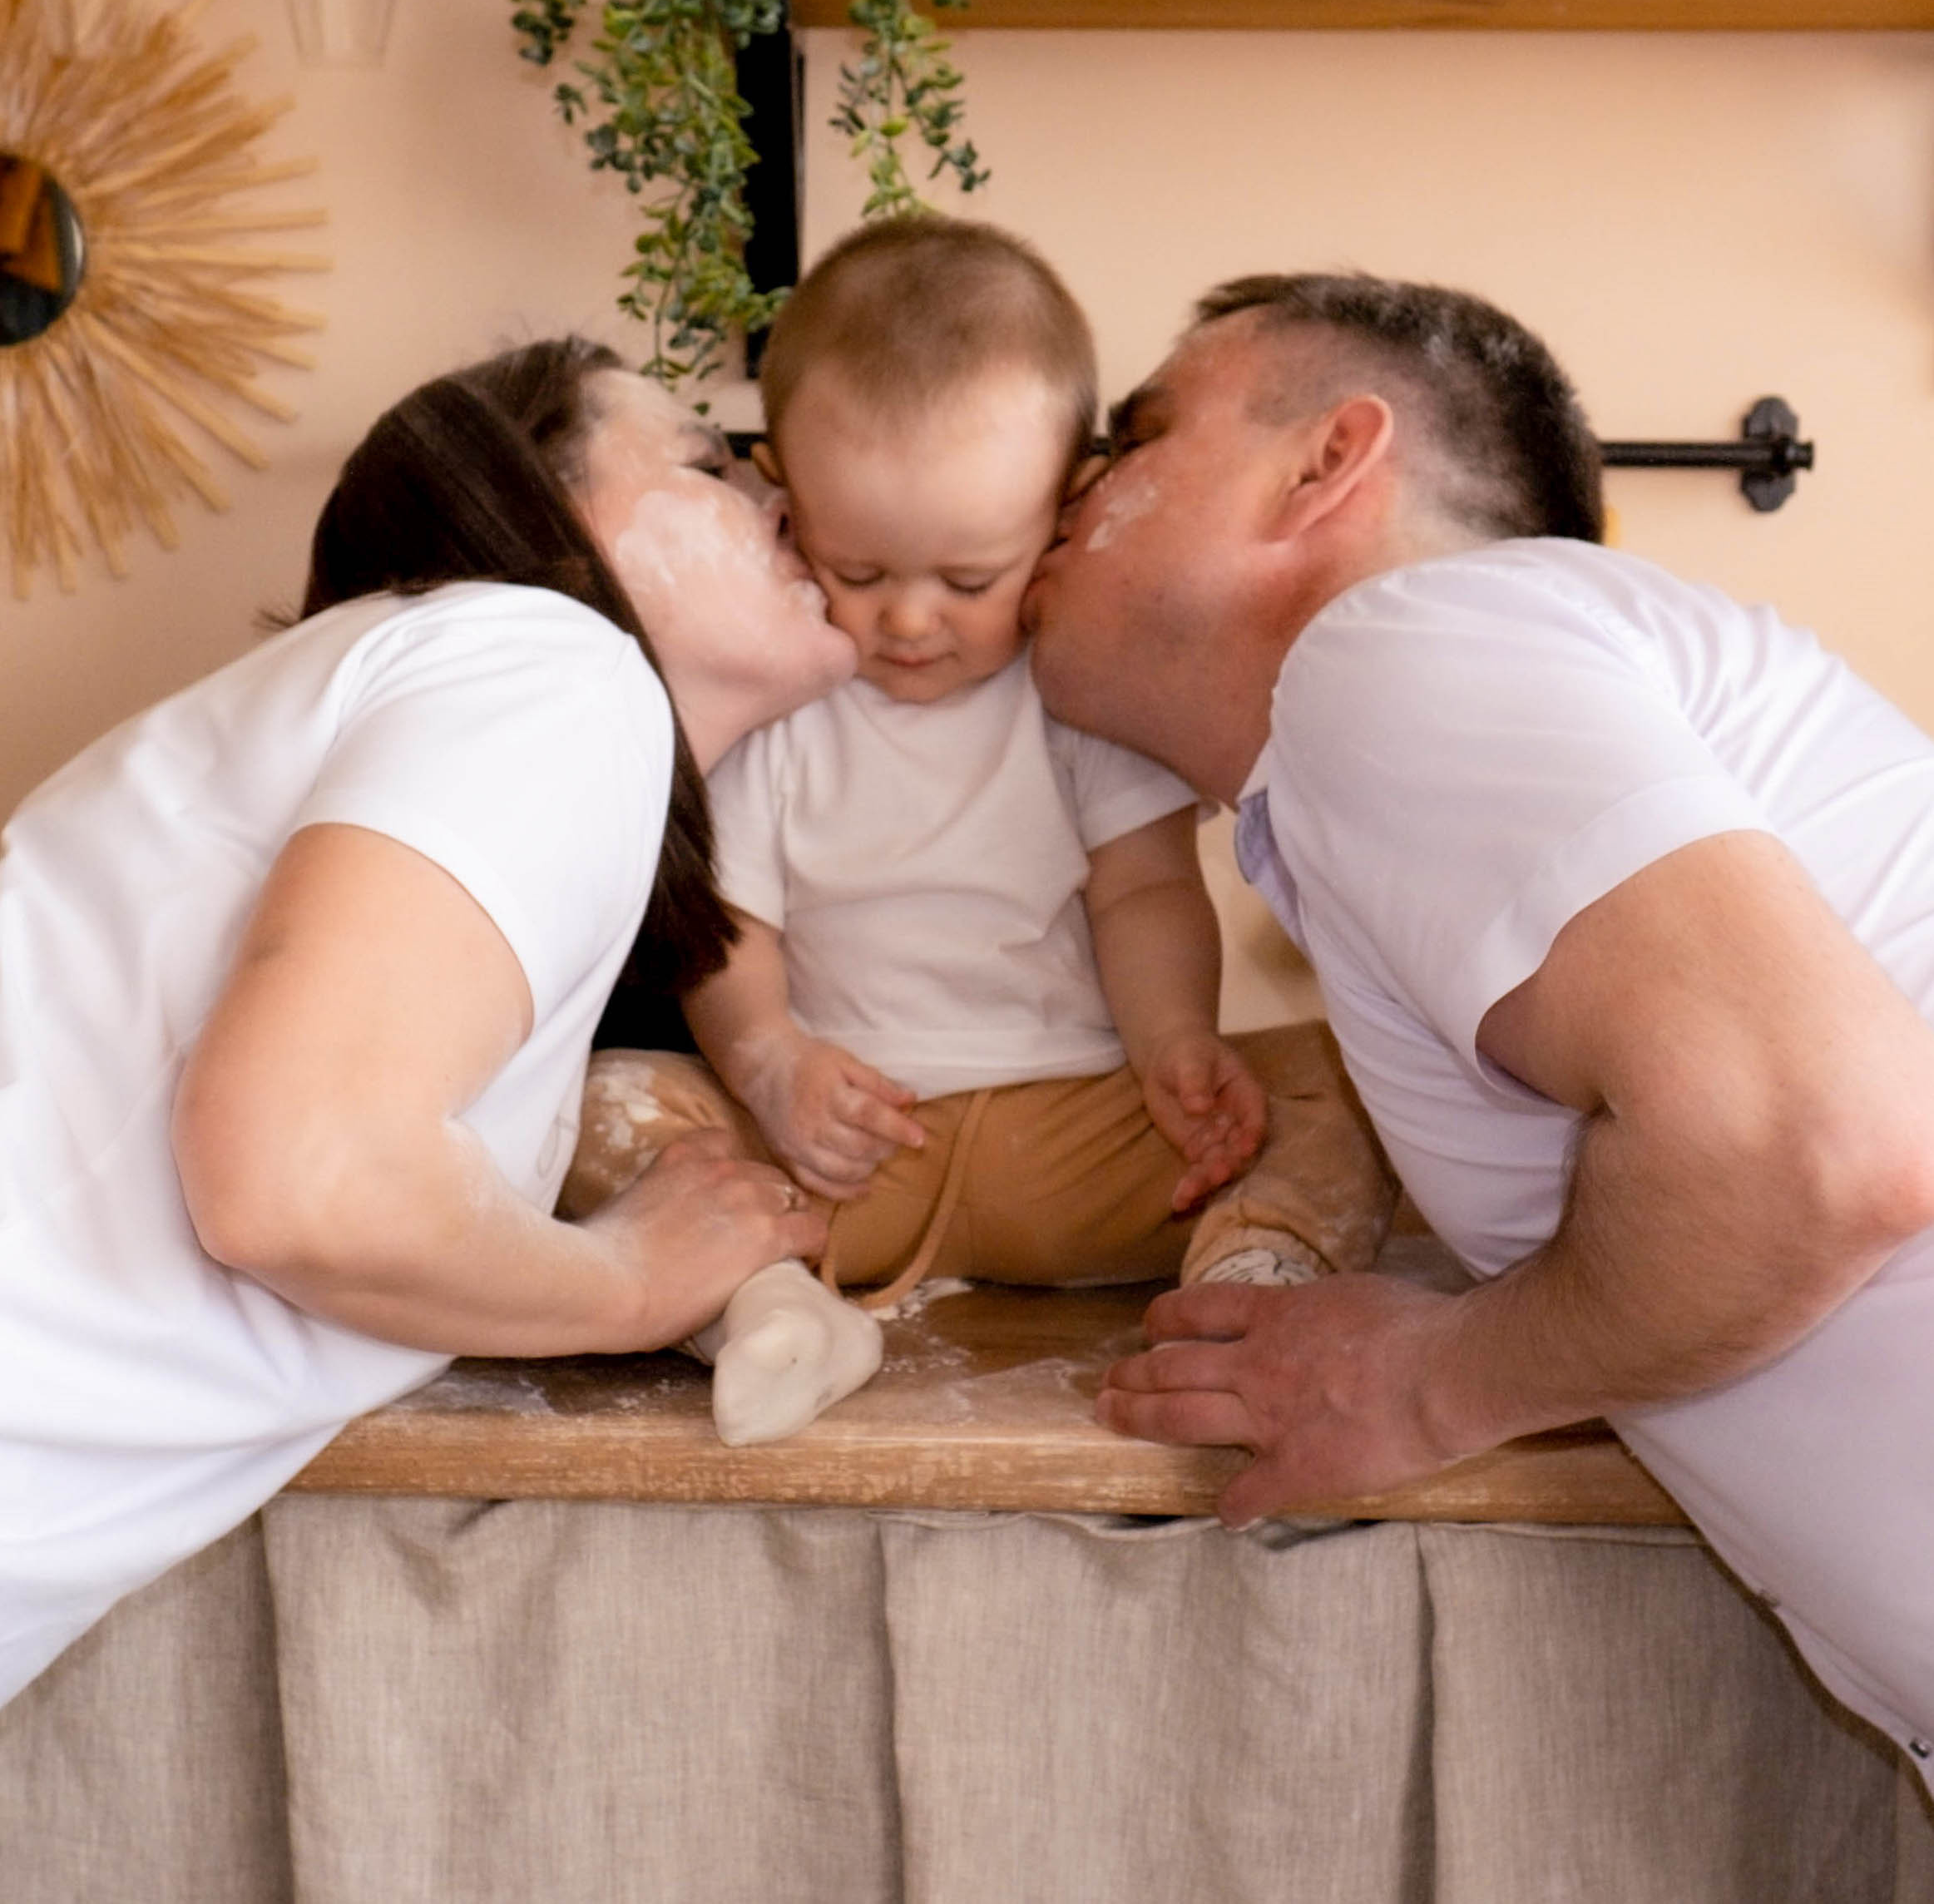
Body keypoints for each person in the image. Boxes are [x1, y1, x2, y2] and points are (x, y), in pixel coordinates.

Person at [1028, 270, 1934, 1779]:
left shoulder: (1397, 646)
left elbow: (1814, 1147)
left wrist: (1429, 1382)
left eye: (1136, 435)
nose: (1077, 488)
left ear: (1328, 463)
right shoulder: (1477, 699)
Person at [0, 334, 855, 1707]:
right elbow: (309, 1177)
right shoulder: (553, 666)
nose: (774, 489)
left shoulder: (463, 693)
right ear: (552, 519)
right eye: (705, 458)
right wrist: (626, 1281)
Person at [565, 220, 1394, 1447]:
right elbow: (731, 922)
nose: (906, 618)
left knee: (1352, 1077)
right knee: (596, 1100)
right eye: (855, 567)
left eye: (968, 580)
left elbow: (1143, 888)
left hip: (1084, 1131)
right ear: (784, 502)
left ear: (1061, 516)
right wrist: (767, 1061)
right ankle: (770, 1308)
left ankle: (1245, 1284)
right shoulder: (785, 696)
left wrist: (1173, 1045)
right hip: (837, 1158)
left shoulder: (1078, 689)